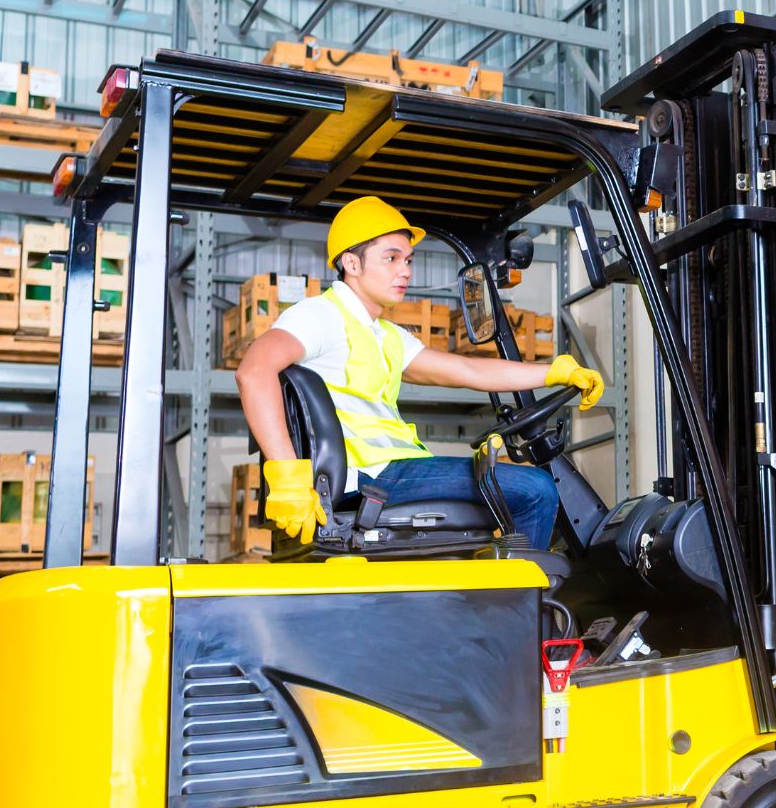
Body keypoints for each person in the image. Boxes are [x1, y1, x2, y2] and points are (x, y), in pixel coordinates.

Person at [236, 195, 604, 553]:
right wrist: (287, 478)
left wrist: (554, 372)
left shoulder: (383, 333)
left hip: (394, 469)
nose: (406, 270)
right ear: (351, 263)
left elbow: (466, 369)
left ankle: (494, 594)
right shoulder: (322, 315)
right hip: (373, 475)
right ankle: (519, 607)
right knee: (535, 489)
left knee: (512, 494)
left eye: (408, 259)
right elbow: (254, 371)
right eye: (391, 258)